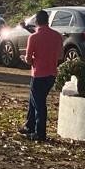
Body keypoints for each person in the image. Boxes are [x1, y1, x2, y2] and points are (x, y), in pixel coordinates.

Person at [21, 10, 64, 143]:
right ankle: (29, 125)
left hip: (38, 73)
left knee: (39, 104)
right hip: (51, 73)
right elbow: (61, 56)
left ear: (36, 22)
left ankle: (40, 133)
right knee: (34, 100)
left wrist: (27, 59)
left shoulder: (33, 37)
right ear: (48, 21)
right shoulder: (57, 36)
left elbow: (28, 60)